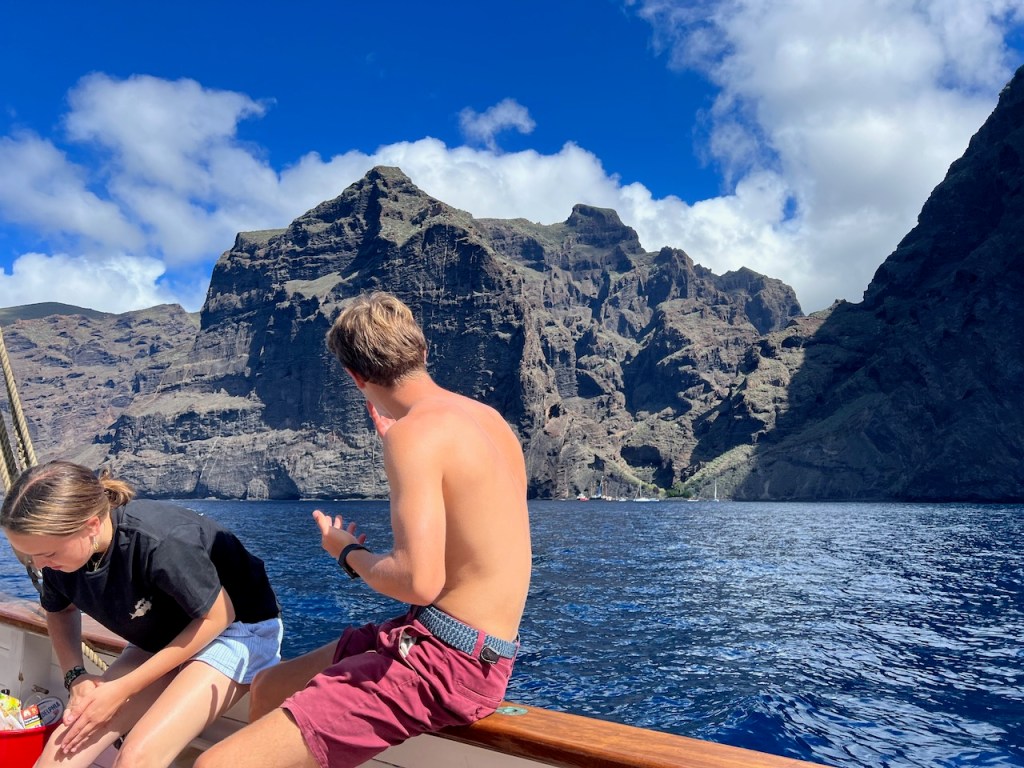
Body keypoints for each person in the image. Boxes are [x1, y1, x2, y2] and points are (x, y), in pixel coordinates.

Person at [197, 291, 532, 768]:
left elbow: (418, 581)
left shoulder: (415, 435)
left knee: (212, 765)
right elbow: (475, 529)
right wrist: (405, 445)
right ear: (423, 351)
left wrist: (346, 550)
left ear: (355, 377)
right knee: (269, 686)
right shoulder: (488, 420)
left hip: (447, 662)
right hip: (466, 648)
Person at [0, 461, 283, 768]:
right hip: (160, 634)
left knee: (137, 756)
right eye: (29, 556)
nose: (40, 566)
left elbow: (219, 616)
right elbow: (61, 611)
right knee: (62, 750)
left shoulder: (161, 541)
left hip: (235, 629)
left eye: (48, 554)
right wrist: (75, 676)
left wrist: (121, 689)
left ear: (91, 526)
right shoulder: (57, 557)